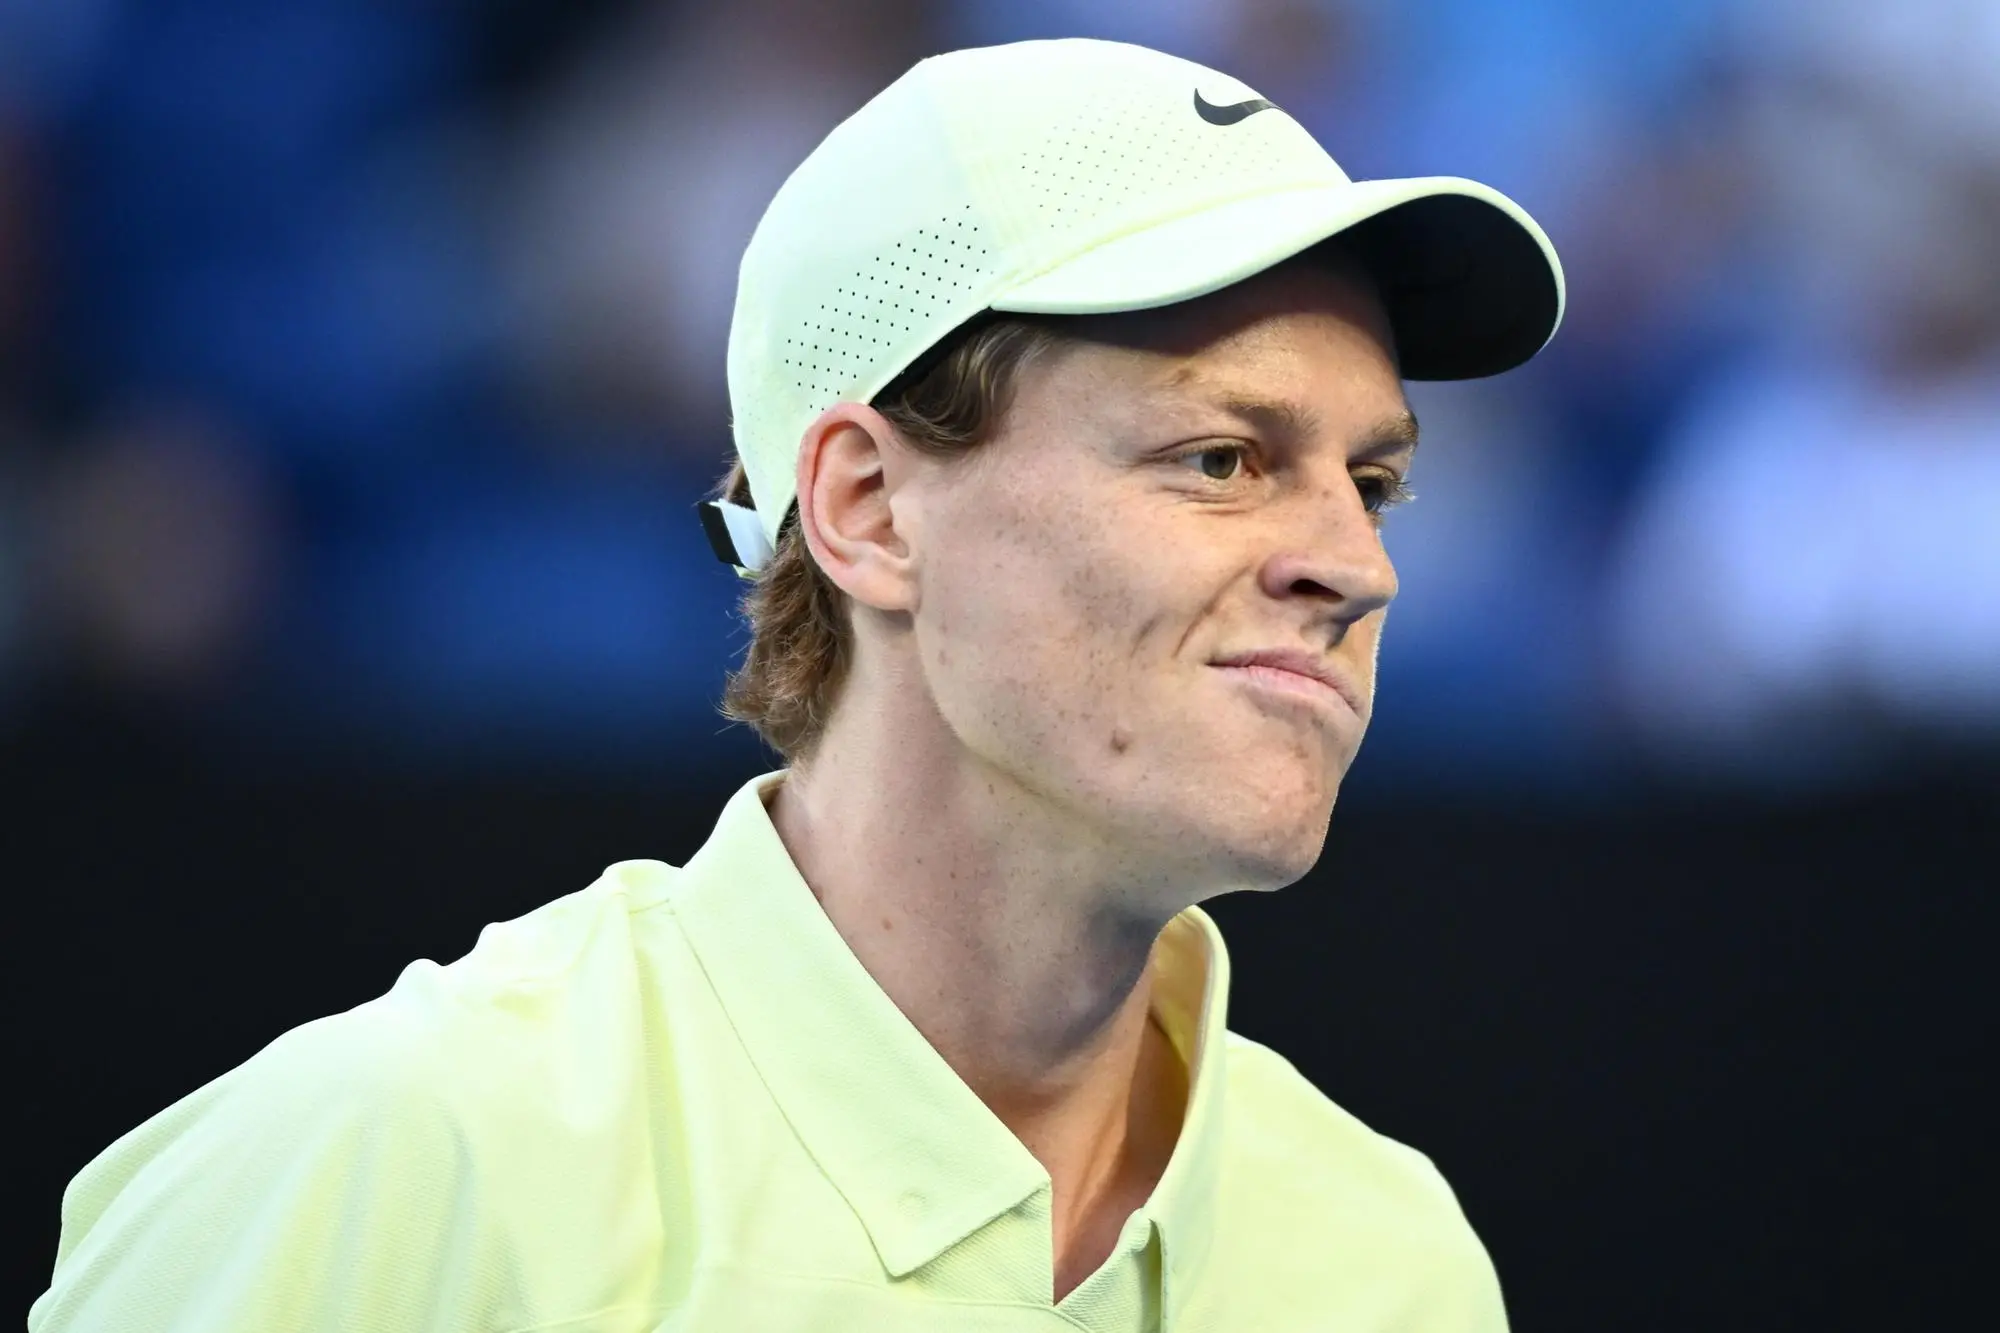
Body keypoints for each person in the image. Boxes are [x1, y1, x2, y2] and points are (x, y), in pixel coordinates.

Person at [32, 38, 1562, 1332]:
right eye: (1221, 460)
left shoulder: (1393, 1262)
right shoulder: (403, 1162)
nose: (1356, 567)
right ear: (868, 511)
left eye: (1374, 482)